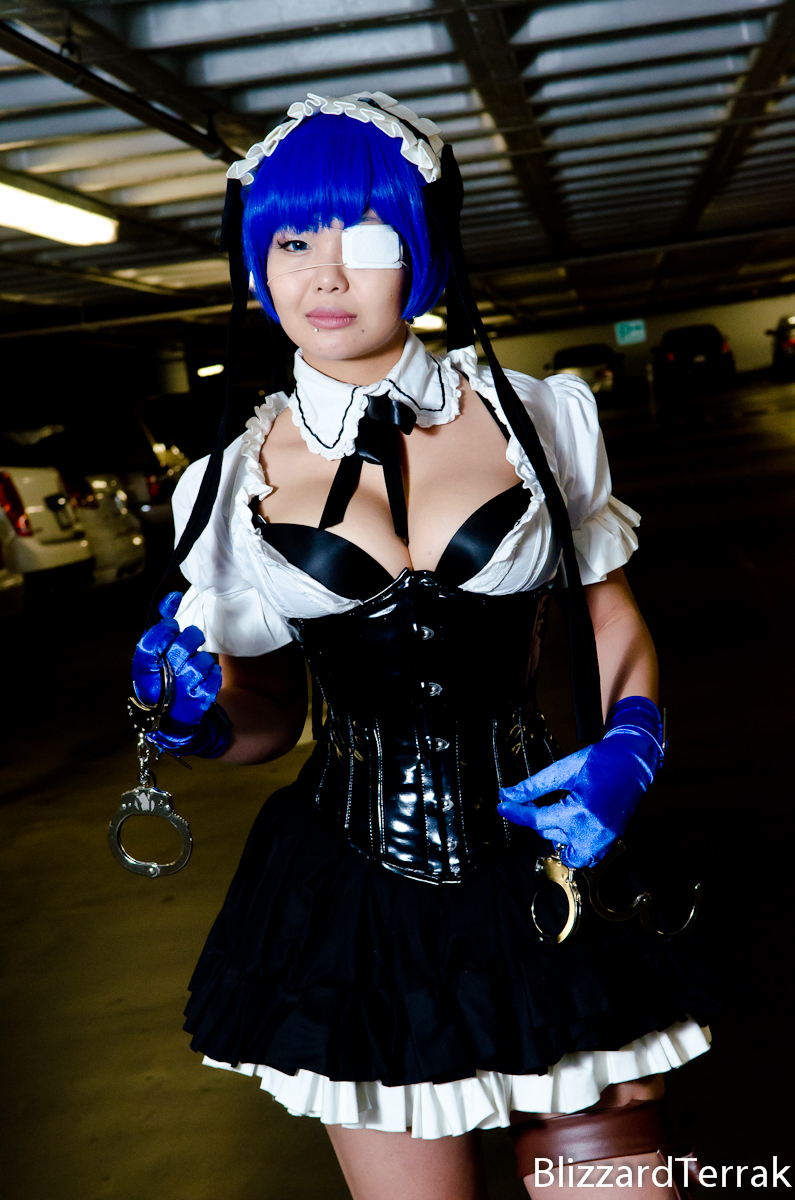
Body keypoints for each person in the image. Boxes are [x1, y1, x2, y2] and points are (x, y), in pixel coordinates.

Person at [131, 93, 719, 1199]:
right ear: (258, 263)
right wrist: (191, 718)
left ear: (425, 249)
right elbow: (266, 722)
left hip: (550, 858)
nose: (325, 275)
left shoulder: (541, 418)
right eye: (291, 242)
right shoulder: (223, 482)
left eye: (365, 237)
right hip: (355, 899)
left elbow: (607, 613)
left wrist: (632, 742)